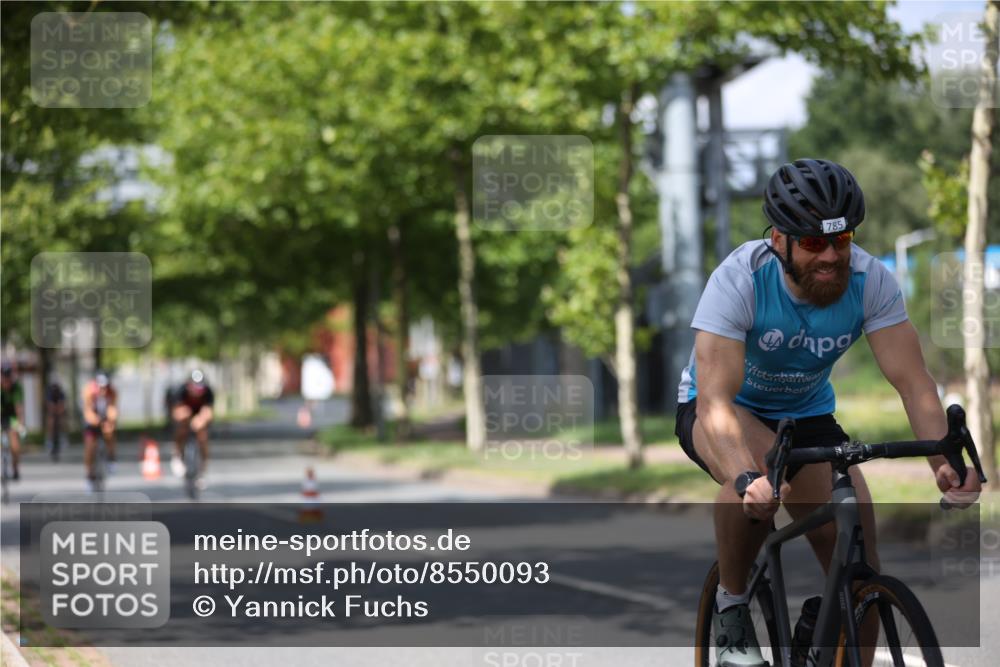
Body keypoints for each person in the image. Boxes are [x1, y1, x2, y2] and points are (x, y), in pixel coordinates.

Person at [673, 159, 982, 667]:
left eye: (842, 241)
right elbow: (715, 403)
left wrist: (941, 463)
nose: (833, 256)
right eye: (815, 244)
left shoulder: (870, 279)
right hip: (721, 409)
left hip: (807, 415)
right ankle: (731, 607)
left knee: (859, 570)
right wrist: (744, 475)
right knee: (766, 474)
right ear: (779, 240)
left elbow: (913, 383)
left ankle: (830, 624)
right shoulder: (740, 280)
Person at [171, 369, 214, 481]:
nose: (197, 392)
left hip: (199, 414)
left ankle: (202, 469)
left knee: (203, 436)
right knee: (182, 428)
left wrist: (200, 419)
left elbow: (208, 412)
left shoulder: (208, 392)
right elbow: (176, 412)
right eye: (194, 388)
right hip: (186, 413)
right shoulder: (181, 391)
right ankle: (178, 456)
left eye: (200, 388)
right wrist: (186, 417)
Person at [1, 361, 26, 480]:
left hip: (12, 417)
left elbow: (19, 407)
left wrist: (21, 424)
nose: (7, 382)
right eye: (4, 379)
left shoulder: (17, 387)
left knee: (15, 443)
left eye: (8, 379)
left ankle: (15, 468)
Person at [45, 376, 67, 461]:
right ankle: (49, 439)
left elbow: (63, 404)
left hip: (59, 409)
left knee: (62, 420)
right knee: (51, 420)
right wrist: (53, 410)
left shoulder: (61, 393)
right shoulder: (49, 392)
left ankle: (63, 435)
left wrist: (60, 411)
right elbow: (49, 405)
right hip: (52, 410)